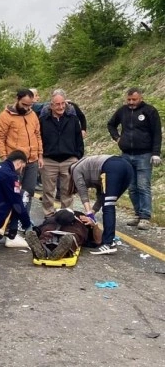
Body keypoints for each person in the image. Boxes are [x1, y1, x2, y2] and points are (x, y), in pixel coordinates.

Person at [106, 87, 161, 230]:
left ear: (140, 98)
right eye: (129, 99)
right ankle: (137, 214)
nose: (131, 102)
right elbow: (111, 124)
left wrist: (156, 153)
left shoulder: (150, 111)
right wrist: (117, 138)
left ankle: (145, 217)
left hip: (144, 154)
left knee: (143, 186)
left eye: (134, 99)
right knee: (131, 187)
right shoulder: (122, 111)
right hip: (126, 155)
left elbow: (157, 133)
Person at [0, 89, 42, 233]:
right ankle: (8, 225)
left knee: (27, 194)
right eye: (25, 104)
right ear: (17, 99)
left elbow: (38, 135)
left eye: (30, 105)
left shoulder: (33, 115)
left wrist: (40, 155)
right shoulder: (5, 116)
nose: (27, 108)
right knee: (13, 194)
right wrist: (5, 159)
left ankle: (23, 223)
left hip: (32, 161)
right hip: (14, 163)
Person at [68, 155, 133, 255]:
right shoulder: (93, 172)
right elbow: (102, 197)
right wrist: (93, 211)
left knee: (108, 206)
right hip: (127, 167)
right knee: (109, 203)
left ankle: (108, 243)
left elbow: (83, 192)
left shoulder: (75, 170)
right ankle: (110, 239)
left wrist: (89, 214)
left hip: (111, 167)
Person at [38, 89, 84, 217]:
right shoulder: (43, 120)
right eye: (57, 104)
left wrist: (77, 156)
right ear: (51, 105)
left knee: (67, 191)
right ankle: (49, 216)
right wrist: (40, 156)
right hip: (49, 160)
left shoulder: (73, 119)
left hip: (69, 160)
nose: (61, 106)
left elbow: (79, 139)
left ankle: (67, 215)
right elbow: (38, 139)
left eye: (63, 103)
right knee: (48, 191)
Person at [24, 208, 102, 260]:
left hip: (71, 227)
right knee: (49, 233)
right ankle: (46, 250)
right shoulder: (52, 217)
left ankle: (43, 248)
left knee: (49, 235)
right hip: (56, 225)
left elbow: (98, 240)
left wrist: (93, 225)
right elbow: (98, 241)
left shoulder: (82, 217)